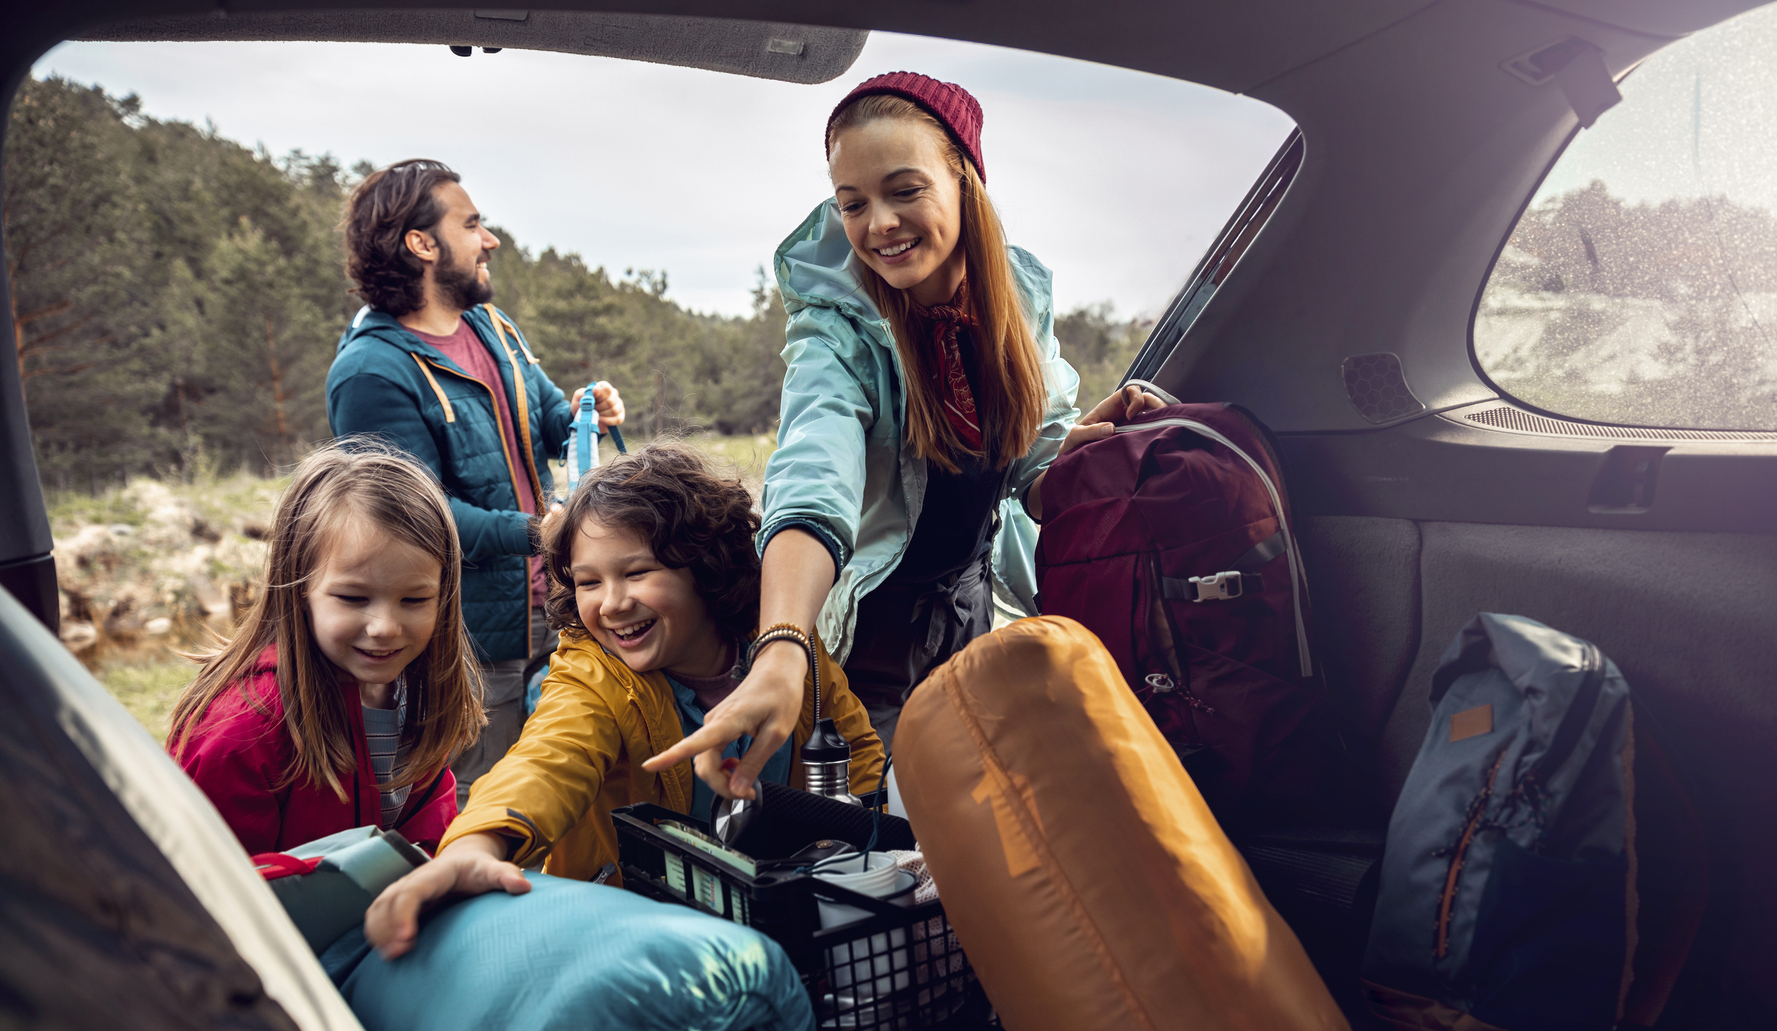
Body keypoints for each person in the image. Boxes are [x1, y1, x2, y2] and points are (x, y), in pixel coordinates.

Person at [646, 72, 1163, 801]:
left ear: (964, 180)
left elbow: (1034, 478)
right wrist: (785, 645)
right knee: (881, 835)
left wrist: (1087, 443)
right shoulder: (836, 333)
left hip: (973, 613)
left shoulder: (1017, 307)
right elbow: (810, 479)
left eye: (904, 190)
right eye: (852, 203)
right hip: (871, 640)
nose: (878, 223)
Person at [363, 443, 882, 957]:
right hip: (635, 936)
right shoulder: (593, 673)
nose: (612, 603)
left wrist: (867, 857)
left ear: (706, 565)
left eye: (636, 573)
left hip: (789, 916)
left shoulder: (781, 647)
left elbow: (853, 751)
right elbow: (547, 760)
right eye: (588, 582)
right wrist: (477, 844)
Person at [327, 158, 626, 803]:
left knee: (565, 786)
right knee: (475, 800)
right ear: (422, 244)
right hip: (470, 639)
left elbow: (541, 418)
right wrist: (539, 531)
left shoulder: (490, 327)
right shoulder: (371, 373)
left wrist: (583, 411)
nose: (489, 240)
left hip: (557, 610)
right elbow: (408, 521)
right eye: (472, 224)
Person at [169, 442, 486, 855]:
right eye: (353, 598)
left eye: (414, 600)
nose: (385, 628)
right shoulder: (244, 729)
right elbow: (215, 883)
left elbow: (428, 830)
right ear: (299, 587)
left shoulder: (414, 690)